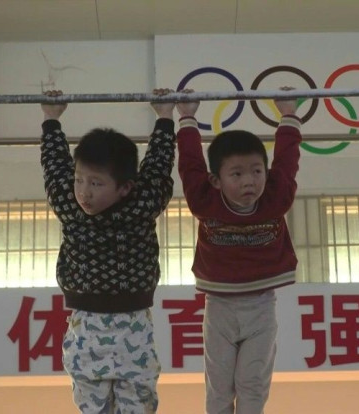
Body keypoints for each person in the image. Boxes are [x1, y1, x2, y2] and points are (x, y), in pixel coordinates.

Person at [39, 88, 177, 413]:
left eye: (96, 184)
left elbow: (158, 166)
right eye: (79, 180)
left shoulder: (142, 204)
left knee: (139, 406)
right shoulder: (70, 203)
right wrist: (51, 120)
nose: (83, 192)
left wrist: (165, 118)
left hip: (134, 326)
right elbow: (55, 166)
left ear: (125, 187)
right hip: (86, 328)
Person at [175, 87, 301, 414]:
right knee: (218, 391)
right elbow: (190, 164)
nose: (249, 181)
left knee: (252, 388)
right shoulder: (204, 199)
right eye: (237, 174)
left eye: (257, 171)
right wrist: (186, 116)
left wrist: (288, 113)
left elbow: (287, 159)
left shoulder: (276, 196)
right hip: (219, 308)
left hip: (261, 307)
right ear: (216, 180)